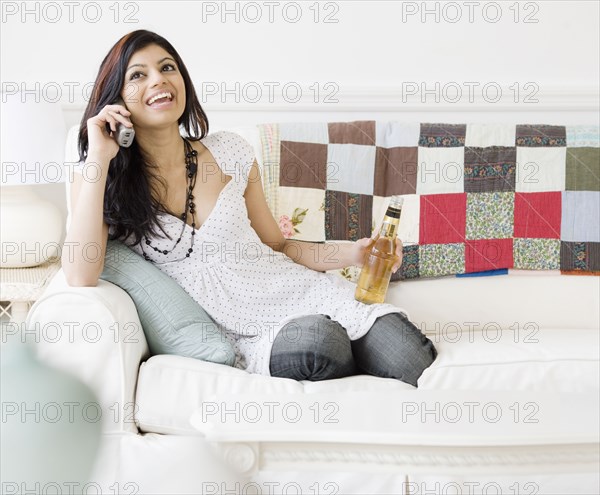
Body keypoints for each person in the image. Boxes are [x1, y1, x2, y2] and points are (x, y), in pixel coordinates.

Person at [63, 30, 438, 386]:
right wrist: (99, 155)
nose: (158, 81)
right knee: (320, 341)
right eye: (138, 75)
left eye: (167, 68)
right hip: (253, 332)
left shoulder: (231, 151)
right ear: (115, 98)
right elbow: (80, 275)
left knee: (413, 358)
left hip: (303, 292)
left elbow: (279, 246)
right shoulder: (102, 177)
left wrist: (353, 253)